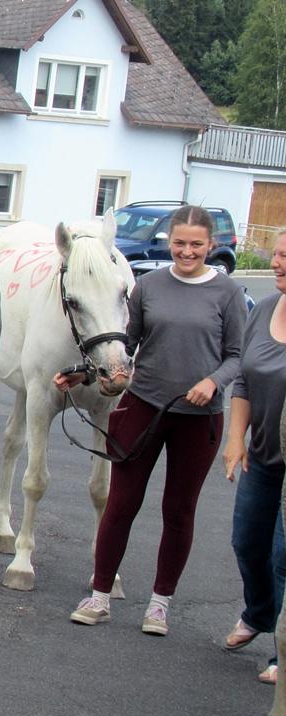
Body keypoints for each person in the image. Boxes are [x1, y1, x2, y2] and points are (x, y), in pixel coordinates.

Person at [67, 206, 246, 635]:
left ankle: (160, 603)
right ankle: (99, 595)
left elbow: (236, 356)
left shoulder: (227, 293)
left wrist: (212, 382)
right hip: (143, 406)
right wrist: (83, 371)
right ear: (169, 242)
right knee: (121, 504)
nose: (187, 251)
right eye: (180, 243)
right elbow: (125, 342)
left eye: (196, 244)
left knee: (178, 511)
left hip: (197, 417)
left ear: (211, 246)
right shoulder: (148, 286)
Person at [223, 230, 286, 683]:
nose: (278, 263)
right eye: (278, 253)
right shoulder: (264, 308)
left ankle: (284, 650)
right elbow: (244, 379)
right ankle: (260, 612)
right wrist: (235, 438)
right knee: (248, 540)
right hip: (264, 452)